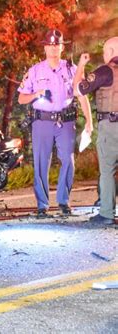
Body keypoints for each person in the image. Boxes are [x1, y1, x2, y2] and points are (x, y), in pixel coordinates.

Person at [18, 29, 93, 218]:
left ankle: (63, 202)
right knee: (41, 162)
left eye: (56, 45)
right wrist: (36, 94)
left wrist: (89, 122)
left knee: (68, 160)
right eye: (49, 45)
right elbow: (21, 98)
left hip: (65, 122)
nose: (53, 49)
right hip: (42, 121)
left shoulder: (71, 69)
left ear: (62, 47)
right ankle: (42, 205)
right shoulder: (35, 70)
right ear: (44, 47)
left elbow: (81, 95)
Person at [73, 36, 118, 225]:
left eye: (106, 51)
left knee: (108, 170)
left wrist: (81, 66)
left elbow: (79, 89)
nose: (104, 55)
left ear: (112, 52)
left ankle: (107, 214)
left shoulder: (106, 71)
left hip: (111, 126)